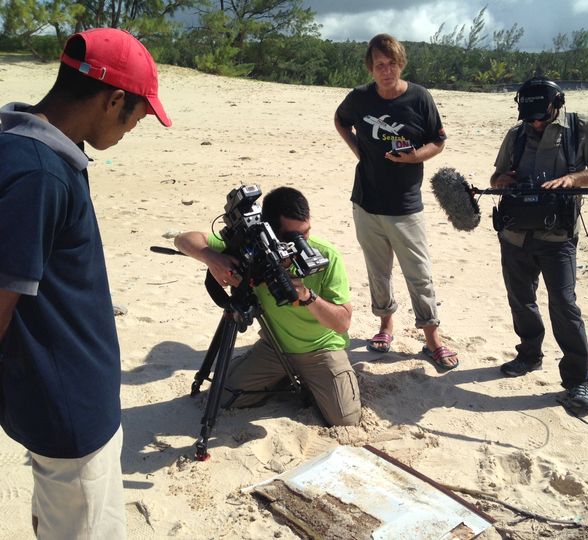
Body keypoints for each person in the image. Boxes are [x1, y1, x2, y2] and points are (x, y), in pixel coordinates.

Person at [0, 28, 171, 539]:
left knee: (60, 514)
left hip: (59, 397)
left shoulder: (28, 144)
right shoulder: (40, 174)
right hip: (69, 410)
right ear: (113, 99)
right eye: (138, 114)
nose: (137, 125)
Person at [174, 187, 361, 427]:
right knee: (221, 398)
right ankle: (284, 378)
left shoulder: (326, 256)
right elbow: (183, 239)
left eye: (306, 233)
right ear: (271, 232)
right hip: (274, 346)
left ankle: (311, 379)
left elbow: (342, 322)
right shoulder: (254, 247)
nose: (302, 243)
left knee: (344, 420)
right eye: (292, 237)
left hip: (321, 350)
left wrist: (306, 295)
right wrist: (212, 258)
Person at [490, 76, 588, 412]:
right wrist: (503, 181)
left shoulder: (579, 128)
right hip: (515, 233)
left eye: (540, 116)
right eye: (528, 116)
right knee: (521, 299)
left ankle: (577, 381)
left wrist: (573, 179)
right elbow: (498, 177)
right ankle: (529, 354)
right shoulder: (516, 135)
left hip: (558, 236)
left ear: (556, 104)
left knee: (564, 304)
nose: (534, 122)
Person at [334, 33, 459, 370]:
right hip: (366, 202)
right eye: (379, 65)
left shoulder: (419, 98)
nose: (385, 71)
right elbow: (340, 120)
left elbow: (439, 140)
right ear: (371, 68)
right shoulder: (360, 98)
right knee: (379, 272)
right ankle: (385, 325)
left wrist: (415, 156)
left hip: (405, 205)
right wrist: (357, 150)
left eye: (390, 64)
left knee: (419, 274)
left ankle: (432, 338)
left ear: (400, 64)